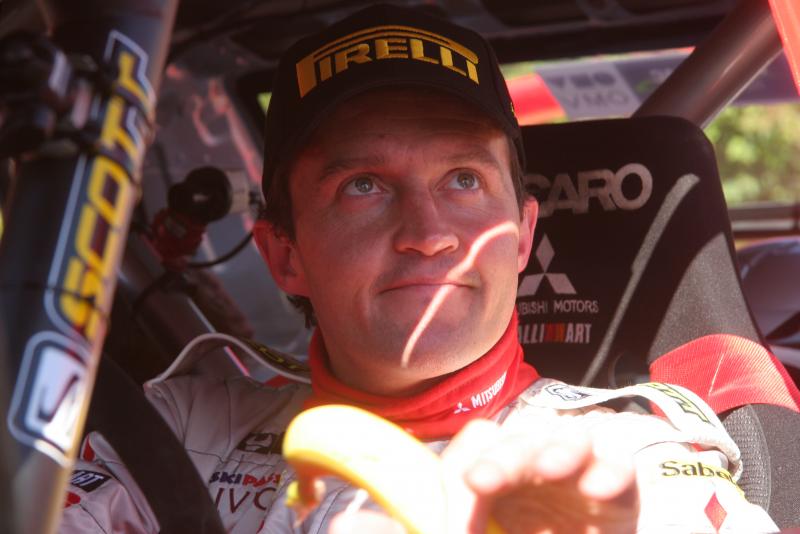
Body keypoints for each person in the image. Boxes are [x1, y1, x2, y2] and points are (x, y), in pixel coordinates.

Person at [59, 4, 779, 533]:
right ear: (284, 255)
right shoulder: (177, 426)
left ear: (522, 236)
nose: (429, 235)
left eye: (464, 179)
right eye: (363, 186)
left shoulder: (629, 449)